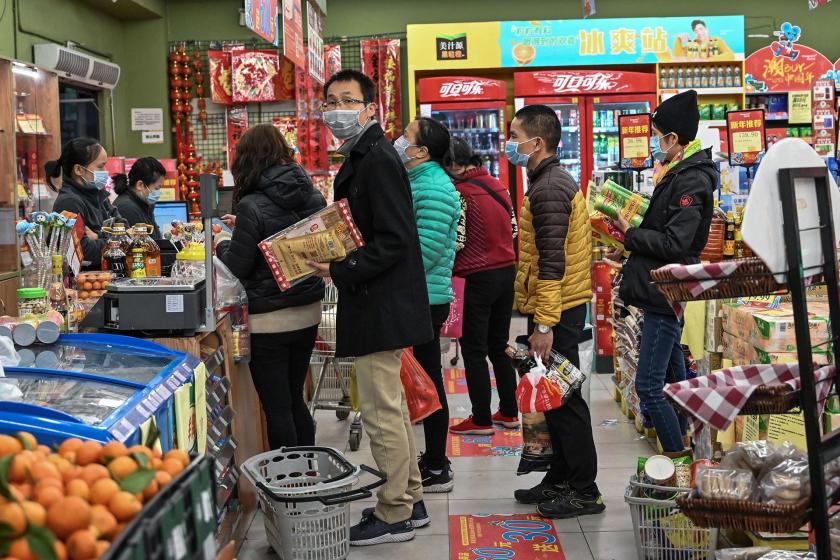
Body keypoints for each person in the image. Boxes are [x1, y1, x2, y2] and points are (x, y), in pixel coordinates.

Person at [308, 69, 433, 546]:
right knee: (393, 409)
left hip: (381, 304)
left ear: (369, 108)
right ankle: (412, 499)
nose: (336, 109)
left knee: (381, 413)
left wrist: (340, 267)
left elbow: (396, 240)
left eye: (347, 100)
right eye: (330, 101)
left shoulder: (377, 159)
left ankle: (395, 510)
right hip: (381, 303)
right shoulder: (364, 156)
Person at [508, 105, 604, 519]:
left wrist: (544, 324)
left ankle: (584, 489)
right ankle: (562, 476)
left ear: (537, 142)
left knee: (565, 400)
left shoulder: (549, 188)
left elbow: (552, 262)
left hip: (558, 308)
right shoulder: (549, 180)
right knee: (556, 397)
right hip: (559, 304)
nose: (510, 144)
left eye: (514, 135)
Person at [611, 90, 716, 455]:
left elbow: (676, 243)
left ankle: (677, 459)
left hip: (665, 290)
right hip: (661, 286)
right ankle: (684, 441)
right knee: (674, 378)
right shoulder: (680, 173)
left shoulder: (690, 180)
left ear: (673, 138)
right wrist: (630, 238)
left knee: (650, 387)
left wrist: (631, 234)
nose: (655, 143)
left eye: (658, 135)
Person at [214, 124, 326, 450]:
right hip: (307, 311)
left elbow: (238, 265)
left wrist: (223, 242)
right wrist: (245, 230)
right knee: (295, 398)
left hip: (268, 320)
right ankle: (309, 471)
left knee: (276, 408)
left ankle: (287, 484)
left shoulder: (251, 204)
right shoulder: (312, 194)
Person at [394, 117, 460, 493]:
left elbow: (428, 249)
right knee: (423, 378)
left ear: (421, 151)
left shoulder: (433, 187)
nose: (399, 140)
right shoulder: (419, 181)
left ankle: (437, 463)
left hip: (425, 297)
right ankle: (433, 459)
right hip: (421, 294)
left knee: (427, 381)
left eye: (406, 135)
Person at [444, 138, 519, 437]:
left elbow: (458, 241)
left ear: (452, 165)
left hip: (477, 277)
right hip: (505, 272)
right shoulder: (498, 185)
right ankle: (510, 412)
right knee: (499, 347)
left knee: (474, 351)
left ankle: (481, 419)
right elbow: (513, 229)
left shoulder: (460, 193)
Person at [48, 138, 120, 271]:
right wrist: (116, 239)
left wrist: (98, 236)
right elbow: (84, 251)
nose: (105, 171)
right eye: (100, 166)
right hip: (84, 284)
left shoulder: (99, 196)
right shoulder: (69, 202)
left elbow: (126, 230)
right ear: (79, 170)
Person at [112, 157, 166, 239]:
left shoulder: (143, 204)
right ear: (140, 185)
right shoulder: (128, 208)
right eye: (156, 188)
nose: (158, 193)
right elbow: (146, 246)